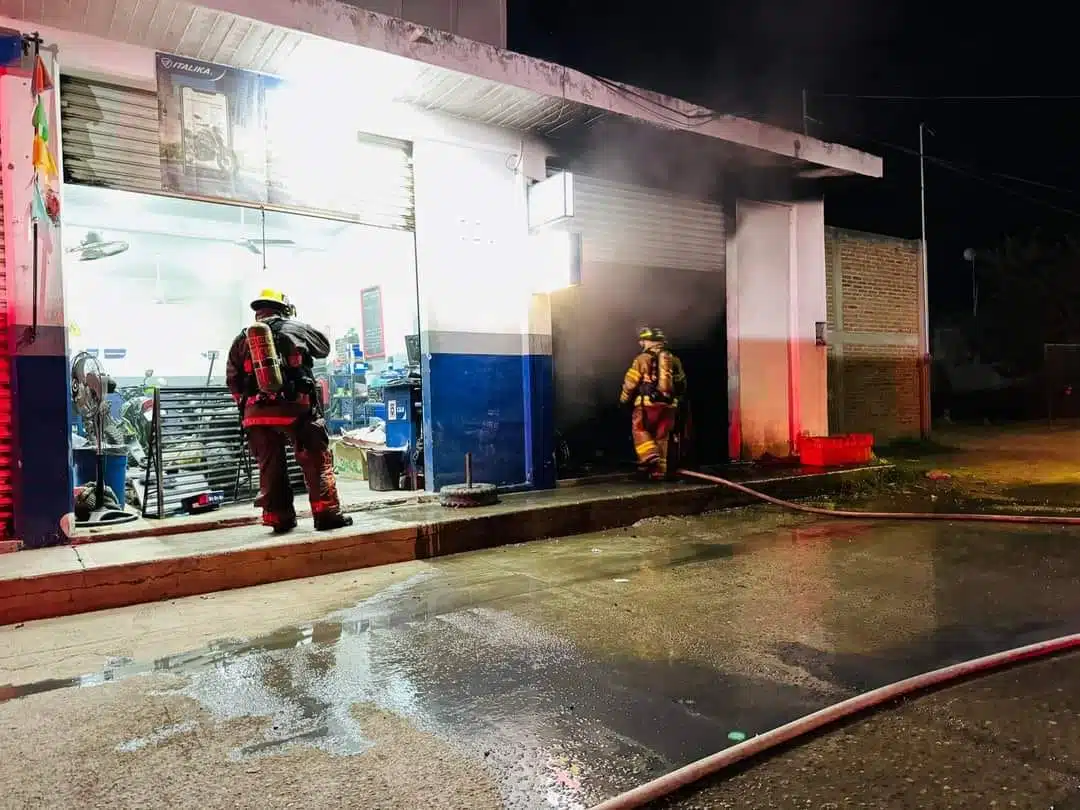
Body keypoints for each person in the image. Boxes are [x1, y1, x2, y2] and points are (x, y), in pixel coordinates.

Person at [226, 289, 353, 534]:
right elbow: (323, 348)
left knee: (270, 467)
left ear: (258, 313)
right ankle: (326, 515)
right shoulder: (296, 328)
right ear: (284, 309)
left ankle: (278, 519)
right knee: (315, 460)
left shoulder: (241, 339)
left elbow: (232, 380)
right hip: (296, 408)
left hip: (256, 415)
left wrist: (249, 408)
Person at [619, 326, 688, 480]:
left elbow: (630, 382)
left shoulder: (641, 359)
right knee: (662, 437)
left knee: (640, 429)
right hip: (670, 407)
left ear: (647, 341)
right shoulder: (674, 360)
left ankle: (650, 456)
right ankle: (658, 473)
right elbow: (682, 384)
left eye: (643, 341)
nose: (641, 343)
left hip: (647, 406)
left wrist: (623, 399)